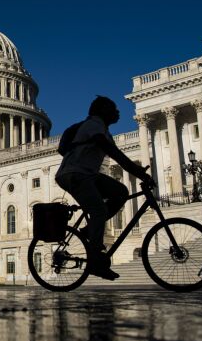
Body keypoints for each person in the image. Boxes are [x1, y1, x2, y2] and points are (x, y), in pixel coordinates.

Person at [55, 96, 155, 280]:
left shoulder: (104, 131)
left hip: (87, 174)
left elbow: (115, 154)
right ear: (101, 111)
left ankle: (89, 230)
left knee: (122, 192)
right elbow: (114, 154)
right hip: (74, 174)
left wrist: (138, 172)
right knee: (98, 209)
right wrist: (139, 172)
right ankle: (94, 262)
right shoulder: (93, 125)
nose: (117, 112)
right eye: (113, 108)